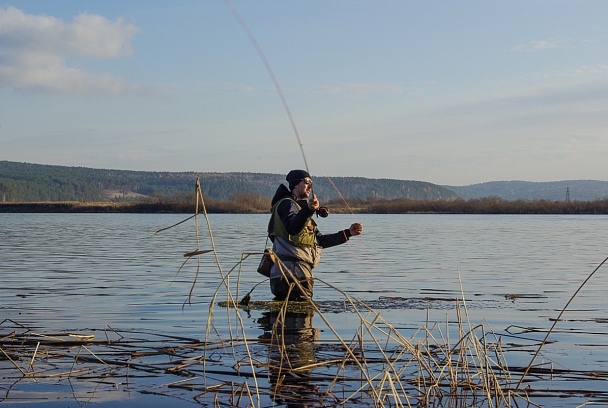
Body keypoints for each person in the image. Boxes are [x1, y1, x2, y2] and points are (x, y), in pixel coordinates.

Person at [267, 169, 363, 301]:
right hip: (293, 275)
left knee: (284, 318)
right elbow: (293, 228)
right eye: (306, 182)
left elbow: (320, 241)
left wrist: (348, 233)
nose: (310, 186)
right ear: (295, 184)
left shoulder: (299, 209)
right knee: (299, 319)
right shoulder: (287, 204)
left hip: (290, 274)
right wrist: (308, 210)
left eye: (311, 183)